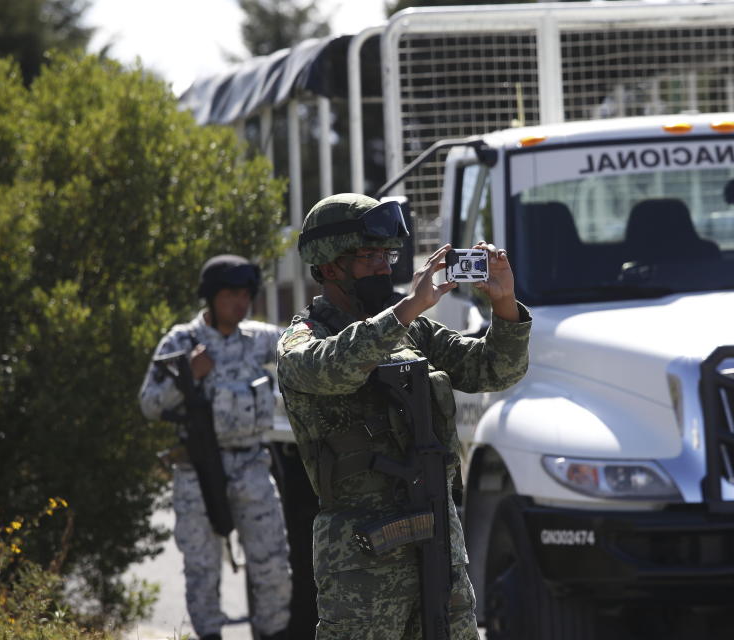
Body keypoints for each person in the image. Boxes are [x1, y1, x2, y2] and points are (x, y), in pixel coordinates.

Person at [276, 193, 532, 639]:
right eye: (369, 255)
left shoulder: (409, 327)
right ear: (329, 266)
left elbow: (494, 369)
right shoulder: (304, 339)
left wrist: (504, 303)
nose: (384, 266)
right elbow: (333, 367)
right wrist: (408, 307)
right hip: (363, 557)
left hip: (436, 537)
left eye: (388, 254)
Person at [139, 255, 292, 640]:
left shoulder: (258, 339)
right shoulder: (182, 342)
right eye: (230, 294)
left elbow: (303, 346)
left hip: (252, 468)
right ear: (211, 297)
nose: (240, 303)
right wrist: (188, 376)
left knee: (274, 570)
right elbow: (148, 404)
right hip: (199, 473)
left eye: (245, 294)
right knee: (202, 575)